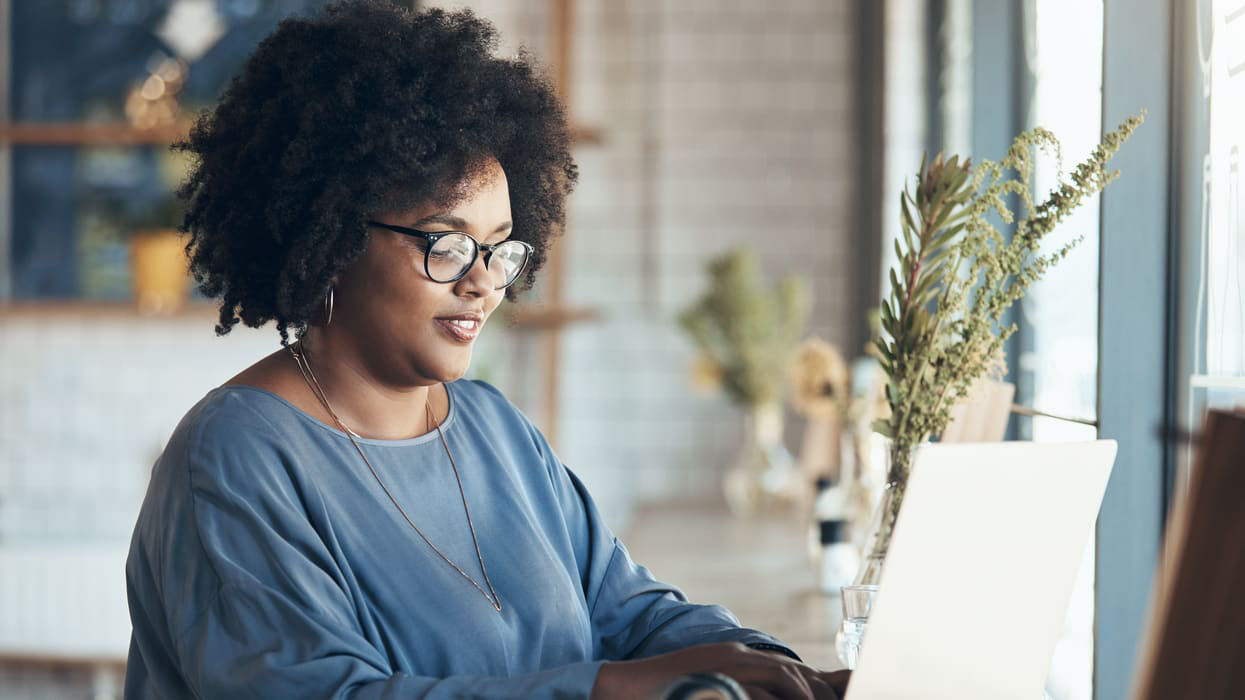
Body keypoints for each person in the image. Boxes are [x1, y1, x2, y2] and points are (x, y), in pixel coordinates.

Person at [124, 2, 849, 698]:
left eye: (500, 249)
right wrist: (602, 689)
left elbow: (626, 613)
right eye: (446, 243)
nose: (483, 282)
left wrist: (778, 672)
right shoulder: (233, 458)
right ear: (333, 239)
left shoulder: (493, 428)